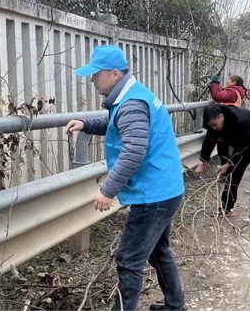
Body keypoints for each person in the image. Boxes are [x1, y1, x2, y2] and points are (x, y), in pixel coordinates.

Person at [65, 45, 185, 311]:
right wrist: (86, 124)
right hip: (164, 188)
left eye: (97, 74)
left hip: (153, 194)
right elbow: (117, 125)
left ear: (115, 74)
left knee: (128, 260)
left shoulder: (130, 104)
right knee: (158, 251)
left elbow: (134, 150)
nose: (93, 79)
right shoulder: (132, 96)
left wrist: (108, 190)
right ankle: (175, 307)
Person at [194, 104, 250, 226]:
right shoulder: (212, 124)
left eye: (216, 125)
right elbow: (209, 142)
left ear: (221, 116)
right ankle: (226, 207)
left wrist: (228, 163)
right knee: (233, 173)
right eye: (212, 126)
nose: (215, 128)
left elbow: (243, 146)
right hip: (245, 144)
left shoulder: (239, 119)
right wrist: (201, 163)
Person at [207, 73, 247, 176]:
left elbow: (218, 96)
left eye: (229, 80)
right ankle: (228, 172)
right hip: (231, 123)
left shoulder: (232, 91)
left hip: (226, 124)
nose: (226, 81)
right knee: (225, 151)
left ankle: (227, 173)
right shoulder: (237, 92)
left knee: (223, 151)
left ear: (234, 83)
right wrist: (213, 87)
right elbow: (221, 94)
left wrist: (215, 83)